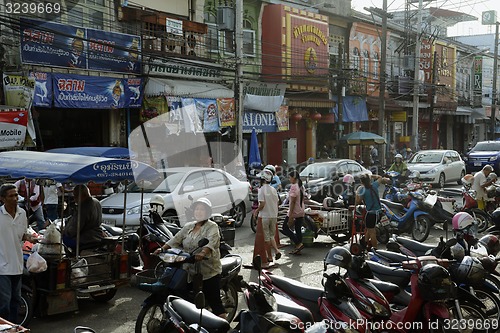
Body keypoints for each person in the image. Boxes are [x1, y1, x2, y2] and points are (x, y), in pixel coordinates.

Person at [154, 198, 227, 319]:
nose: (199, 212)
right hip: (189, 269)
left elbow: (210, 243)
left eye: (202, 209)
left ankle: (224, 327)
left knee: (215, 303)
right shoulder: (189, 226)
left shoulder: (212, 227)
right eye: (197, 209)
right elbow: (176, 239)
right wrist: (162, 249)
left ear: (207, 212)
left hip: (208, 271)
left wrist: (203, 253)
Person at [0, 184, 30, 323]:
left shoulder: (22, 213)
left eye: (16, 195)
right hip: (2, 266)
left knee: (16, 301)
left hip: (17, 264)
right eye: (11, 196)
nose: (15, 198)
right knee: (4, 303)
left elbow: (22, 234)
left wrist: (30, 237)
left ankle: (13, 327)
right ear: (2, 199)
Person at [62, 184, 103, 251]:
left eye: (75, 196)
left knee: (61, 241)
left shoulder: (84, 206)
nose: (74, 199)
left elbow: (76, 227)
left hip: (86, 238)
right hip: (96, 235)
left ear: (82, 195)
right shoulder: (96, 201)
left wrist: (65, 232)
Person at [253, 169, 281, 266]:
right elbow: (277, 202)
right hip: (274, 215)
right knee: (271, 236)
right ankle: (276, 251)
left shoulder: (261, 190)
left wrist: (256, 211)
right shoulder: (273, 189)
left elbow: (262, 203)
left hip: (265, 216)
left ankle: (270, 256)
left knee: (266, 238)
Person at [355, 174, 389, 250]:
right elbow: (380, 177)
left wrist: (357, 193)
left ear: (361, 181)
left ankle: (375, 249)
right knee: (369, 228)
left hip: (371, 214)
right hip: (379, 213)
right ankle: (365, 242)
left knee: (372, 232)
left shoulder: (362, 189)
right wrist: (372, 175)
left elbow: (358, 201)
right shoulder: (374, 185)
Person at [281, 170, 305, 255]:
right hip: (301, 210)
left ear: (294, 178)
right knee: (298, 229)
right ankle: (298, 248)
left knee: (285, 227)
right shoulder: (301, 186)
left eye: (290, 177)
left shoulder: (294, 187)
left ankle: (298, 244)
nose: (289, 179)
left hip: (294, 211)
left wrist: (290, 215)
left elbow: (293, 202)